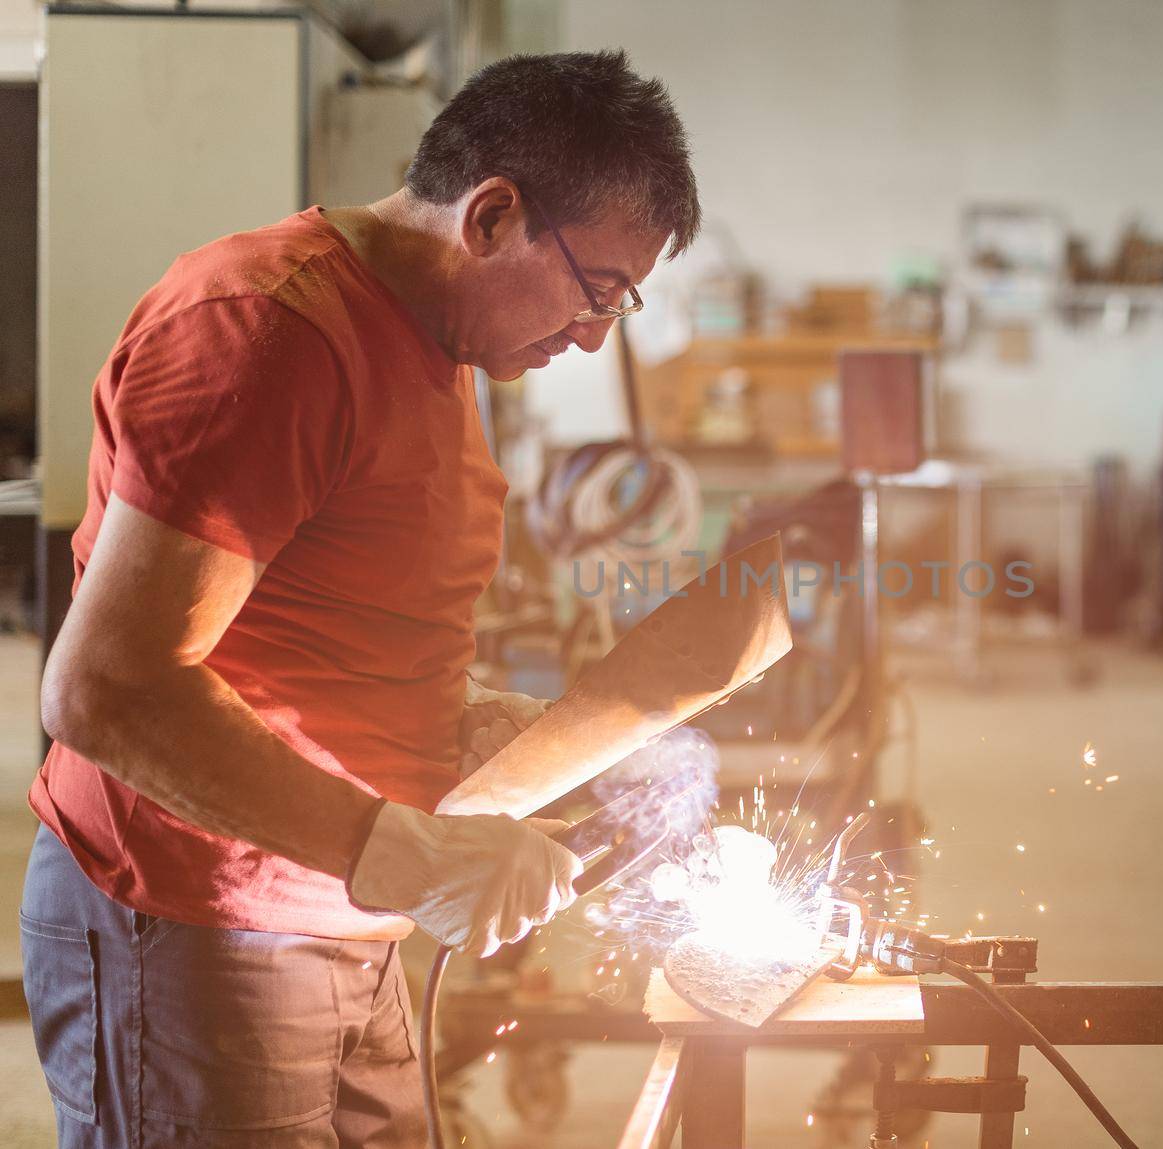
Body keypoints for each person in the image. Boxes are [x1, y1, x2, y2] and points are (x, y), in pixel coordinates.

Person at [22, 49, 700, 1147]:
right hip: (198, 925)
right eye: (597, 291)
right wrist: (404, 853)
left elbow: (324, 612)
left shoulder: (440, 347)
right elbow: (106, 689)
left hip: (341, 913)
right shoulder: (267, 333)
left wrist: (471, 717)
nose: (593, 336)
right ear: (490, 216)